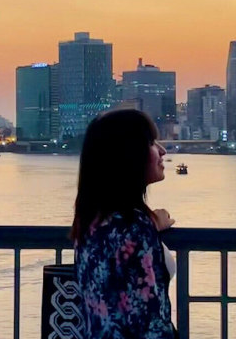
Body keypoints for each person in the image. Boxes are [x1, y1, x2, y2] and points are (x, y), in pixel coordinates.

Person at [72, 109, 176, 339]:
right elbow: (149, 319)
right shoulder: (135, 228)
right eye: (151, 142)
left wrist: (150, 222)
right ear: (128, 154)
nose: (162, 150)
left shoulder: (92, 222)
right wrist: (147, 226)